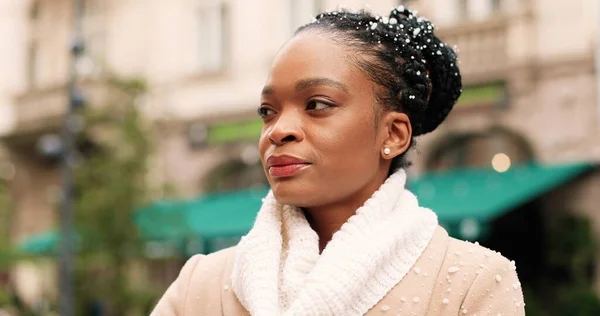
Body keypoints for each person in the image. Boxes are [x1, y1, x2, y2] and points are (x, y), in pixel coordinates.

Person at [152, 6, 525, 316]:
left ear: (393, 134)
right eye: (268, 111)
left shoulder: (470, 284)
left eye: (317, 105)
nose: (278, 130)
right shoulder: (200, 285)